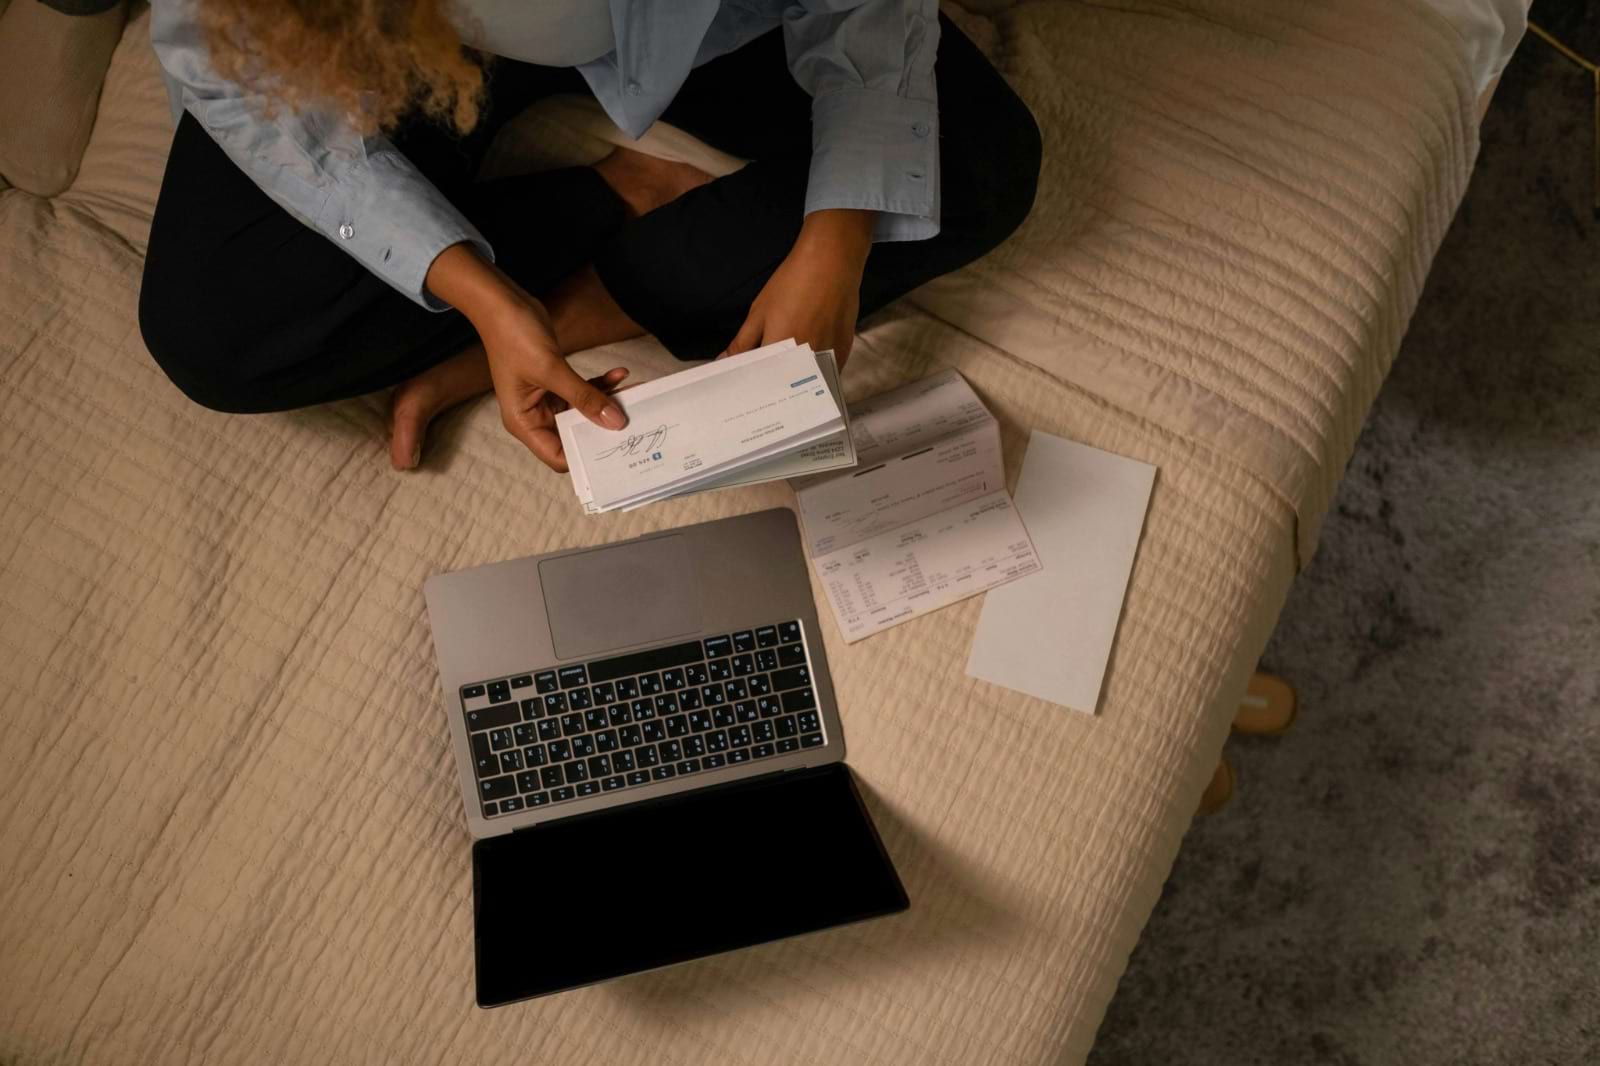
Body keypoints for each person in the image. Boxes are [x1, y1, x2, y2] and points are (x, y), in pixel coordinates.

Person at [139, 0, 1041, 472]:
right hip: (402, 43)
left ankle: (577, 308)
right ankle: (609, 200)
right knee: (215, 334)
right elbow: (229, 72)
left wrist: (837, 241)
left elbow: (867, 12)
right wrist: (481, 296)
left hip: (696, 20)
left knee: (972, 161)